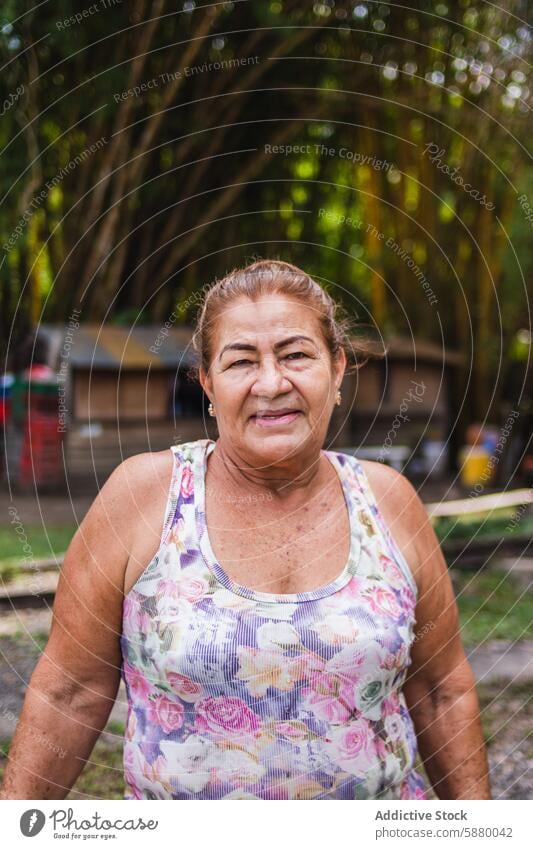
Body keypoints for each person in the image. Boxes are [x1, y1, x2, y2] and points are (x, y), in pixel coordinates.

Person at [0, 260, 491, 800]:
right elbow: (70, 691)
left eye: (296, 355)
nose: (271, 383)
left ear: (337, 369)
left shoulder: (389, 501)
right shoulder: (142, 497)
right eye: (240, 362)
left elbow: (440, 690)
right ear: (208, 384)